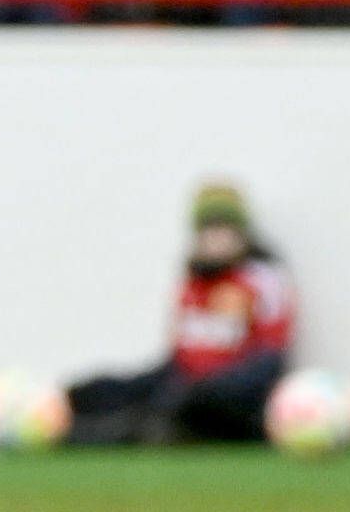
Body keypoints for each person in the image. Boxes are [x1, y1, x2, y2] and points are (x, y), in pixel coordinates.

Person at [58, 182, 296, 446]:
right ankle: (63, 412)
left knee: (185, 405)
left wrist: (203, 387)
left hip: (232, 399)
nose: (215, 239)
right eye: (207, 231)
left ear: (242, 235)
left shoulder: (264, 281)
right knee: (106, 390)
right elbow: (180, 357)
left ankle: (119, 433)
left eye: (224, 230)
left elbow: (270, 361)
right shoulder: (193, 282)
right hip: (182, 384)